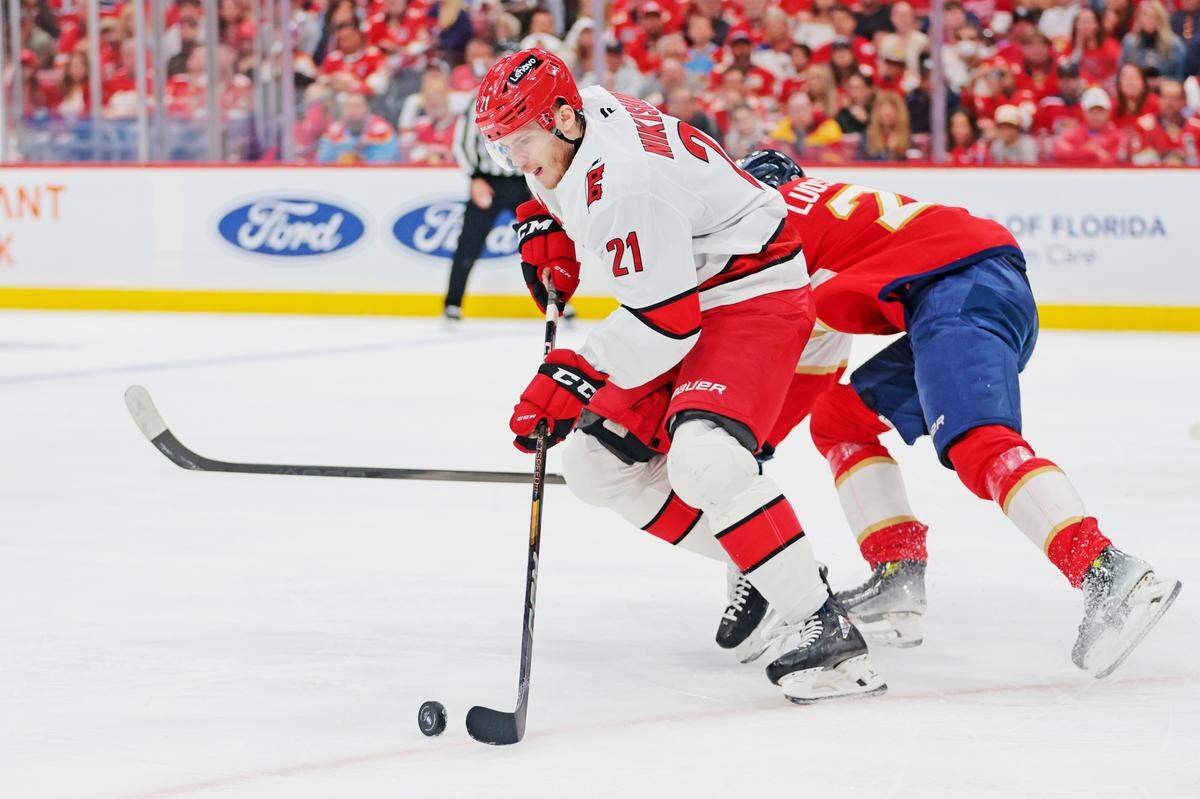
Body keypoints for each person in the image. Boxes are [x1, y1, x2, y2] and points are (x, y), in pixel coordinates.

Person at [475, 49, 887, 704]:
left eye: (522, 141)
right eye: (506, 145)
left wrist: (577, 374)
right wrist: (543, 225)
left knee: (704, 459)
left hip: (755, 285)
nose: (519, 159)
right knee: (592, 465)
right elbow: (566, 197)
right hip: (692, 279)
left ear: (561, 118)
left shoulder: (623, 183)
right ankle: (762, 560)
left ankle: (825, 625)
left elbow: (666, 323)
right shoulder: (570, 121)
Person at [729, 149, 1181, 677]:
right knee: (840, 419)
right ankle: (897, 574)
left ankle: (1110, 574)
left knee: (980, 444)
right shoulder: (825, 206)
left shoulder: (768, 229)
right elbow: (817, 369)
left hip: (956, 293)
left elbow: (780, 355)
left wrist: (743, 447)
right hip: (970, 285)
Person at [443, 79, 531, 320]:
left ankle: (557, 300)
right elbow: (462, 141)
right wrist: (474, 176)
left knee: (540, 239)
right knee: (468, 242)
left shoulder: (528, 94)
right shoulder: (478, 97)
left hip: (523, 181)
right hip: (487, 180)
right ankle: (453, 302)